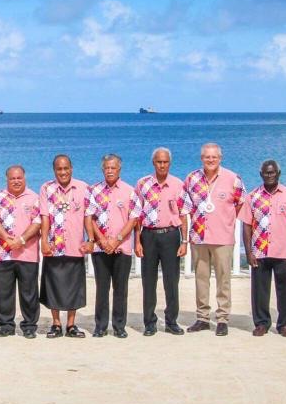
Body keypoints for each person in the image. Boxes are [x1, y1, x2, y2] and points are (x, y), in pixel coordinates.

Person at [182, 143, 245, 336]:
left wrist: (226, 222)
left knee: (223, 279)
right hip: (198, 237)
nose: (210, 160)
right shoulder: (192, 178)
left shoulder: (233, 179)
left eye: (214, 157)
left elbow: (241, 204)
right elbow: (185, 207)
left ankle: (223, 318)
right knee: (201, 279)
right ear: (202, 158)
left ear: (220, 158)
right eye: (207, 157)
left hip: (222, 238)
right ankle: (202, 318)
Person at [238, 160, 286, 338]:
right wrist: (249, 252)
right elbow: (246, 226)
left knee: (285, 290)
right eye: (266, 173)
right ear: (261, 175)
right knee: (259, 290)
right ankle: (261, 323)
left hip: (284, 251)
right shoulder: (252, 197)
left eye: (273, 172)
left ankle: (284, 325)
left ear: (278, 173)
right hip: (260, 251)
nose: (270, 175)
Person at [84, 153, 141, 338]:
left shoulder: (129, 191)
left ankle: (119, 326)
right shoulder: (93, 190)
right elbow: (89, 217)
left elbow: (133, 219)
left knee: (120, 288)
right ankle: (100, 326)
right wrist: (100, 240)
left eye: (113, 168)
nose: (110, 171)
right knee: (102, 288)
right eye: (107, 168)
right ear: (102, 169)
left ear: (119, 169)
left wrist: (116, 239)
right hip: (101, 248)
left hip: (122, 247)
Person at [134, 147, 188, 336]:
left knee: (171, 280)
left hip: (170, 235)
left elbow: (183, 214)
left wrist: (184, 241)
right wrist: (137, 241)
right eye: (159, 161)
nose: (162, 165)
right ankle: (149, 322)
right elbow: (136, 215)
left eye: (165, 162)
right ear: (153, 163)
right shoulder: (142, 184)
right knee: (148, 281)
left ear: (170, 163)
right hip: (148, 235)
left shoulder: (178, 185)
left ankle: (171, 321)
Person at [38, 154, 90, 338]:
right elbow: (44, 216)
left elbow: (88, 216)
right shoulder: (47, 188)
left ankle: (71, 324)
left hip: (75, 245)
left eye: (66, 168)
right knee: (53, 285)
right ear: (54, 171)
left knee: (74, 286)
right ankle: (56, 323)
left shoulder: (83, 188)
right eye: (59, 169)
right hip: (54, 244)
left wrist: (90, 239)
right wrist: (44, 240)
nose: (63, 172)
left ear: (71, 168)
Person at [0, 165, 42, 338]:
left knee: (29, 292)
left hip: (28, 253)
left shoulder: (35, 198)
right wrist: (7, 239)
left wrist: (22, 240)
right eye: (12, 178)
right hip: (2, 254)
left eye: (19, 178)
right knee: (3, 292)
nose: (16, 181)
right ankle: (6, 326)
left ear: (24, 178)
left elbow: (38, 222)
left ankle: (29, 326)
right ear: (7, 179)